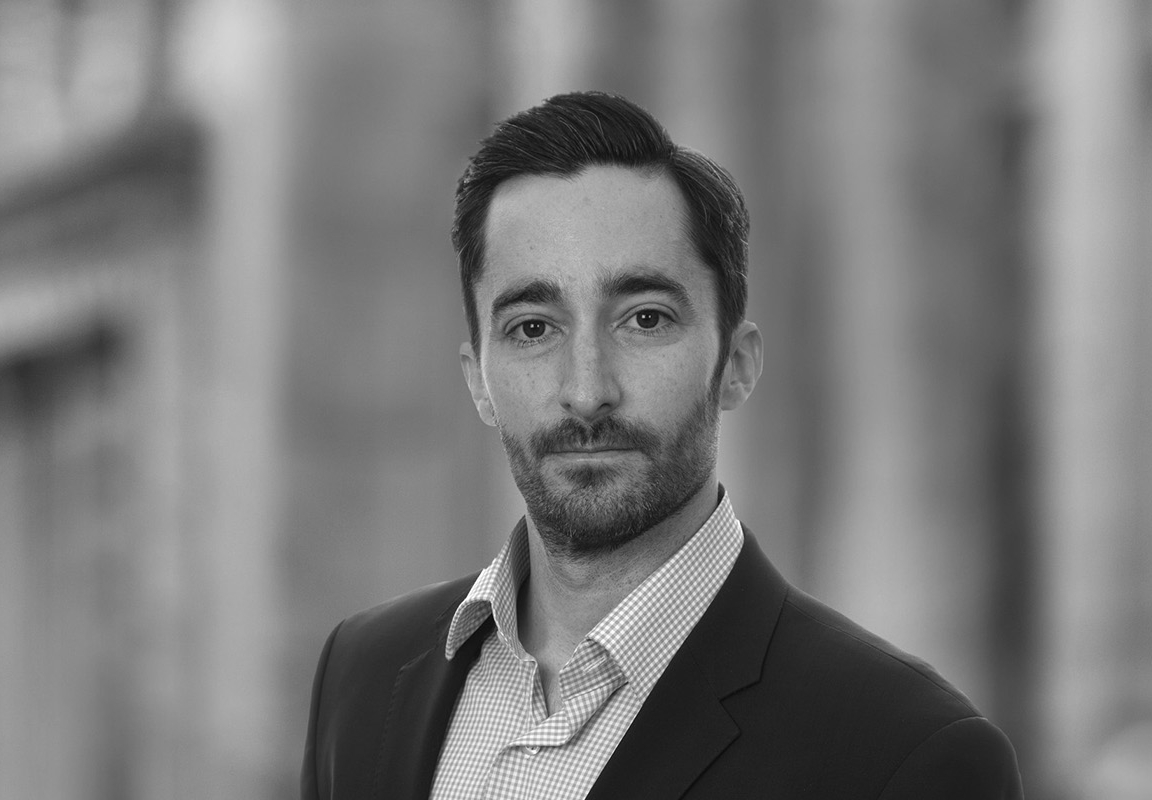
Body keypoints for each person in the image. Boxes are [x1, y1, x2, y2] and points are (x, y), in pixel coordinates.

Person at [300, 91, 1024, 800]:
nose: (587, 391)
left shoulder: (905, 755)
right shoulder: (361, 673)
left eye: (645, 319)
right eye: (532, 328)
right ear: (478, 381)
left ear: (736, 364)